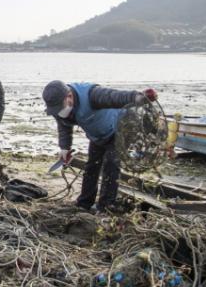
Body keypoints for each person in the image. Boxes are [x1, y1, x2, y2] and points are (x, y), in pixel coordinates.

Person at [42, 80, 158, 213]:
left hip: (119, 130)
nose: (58, 112)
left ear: (69, 96)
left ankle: (106, 206)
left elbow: (116, 97)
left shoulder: (92, 95)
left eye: (59, 108)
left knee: (111, 166)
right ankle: (84, 203)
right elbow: (64, 127)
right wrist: (64, 147)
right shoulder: (57, 108)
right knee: (91, 167)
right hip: (97, 135)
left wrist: (138, 97)